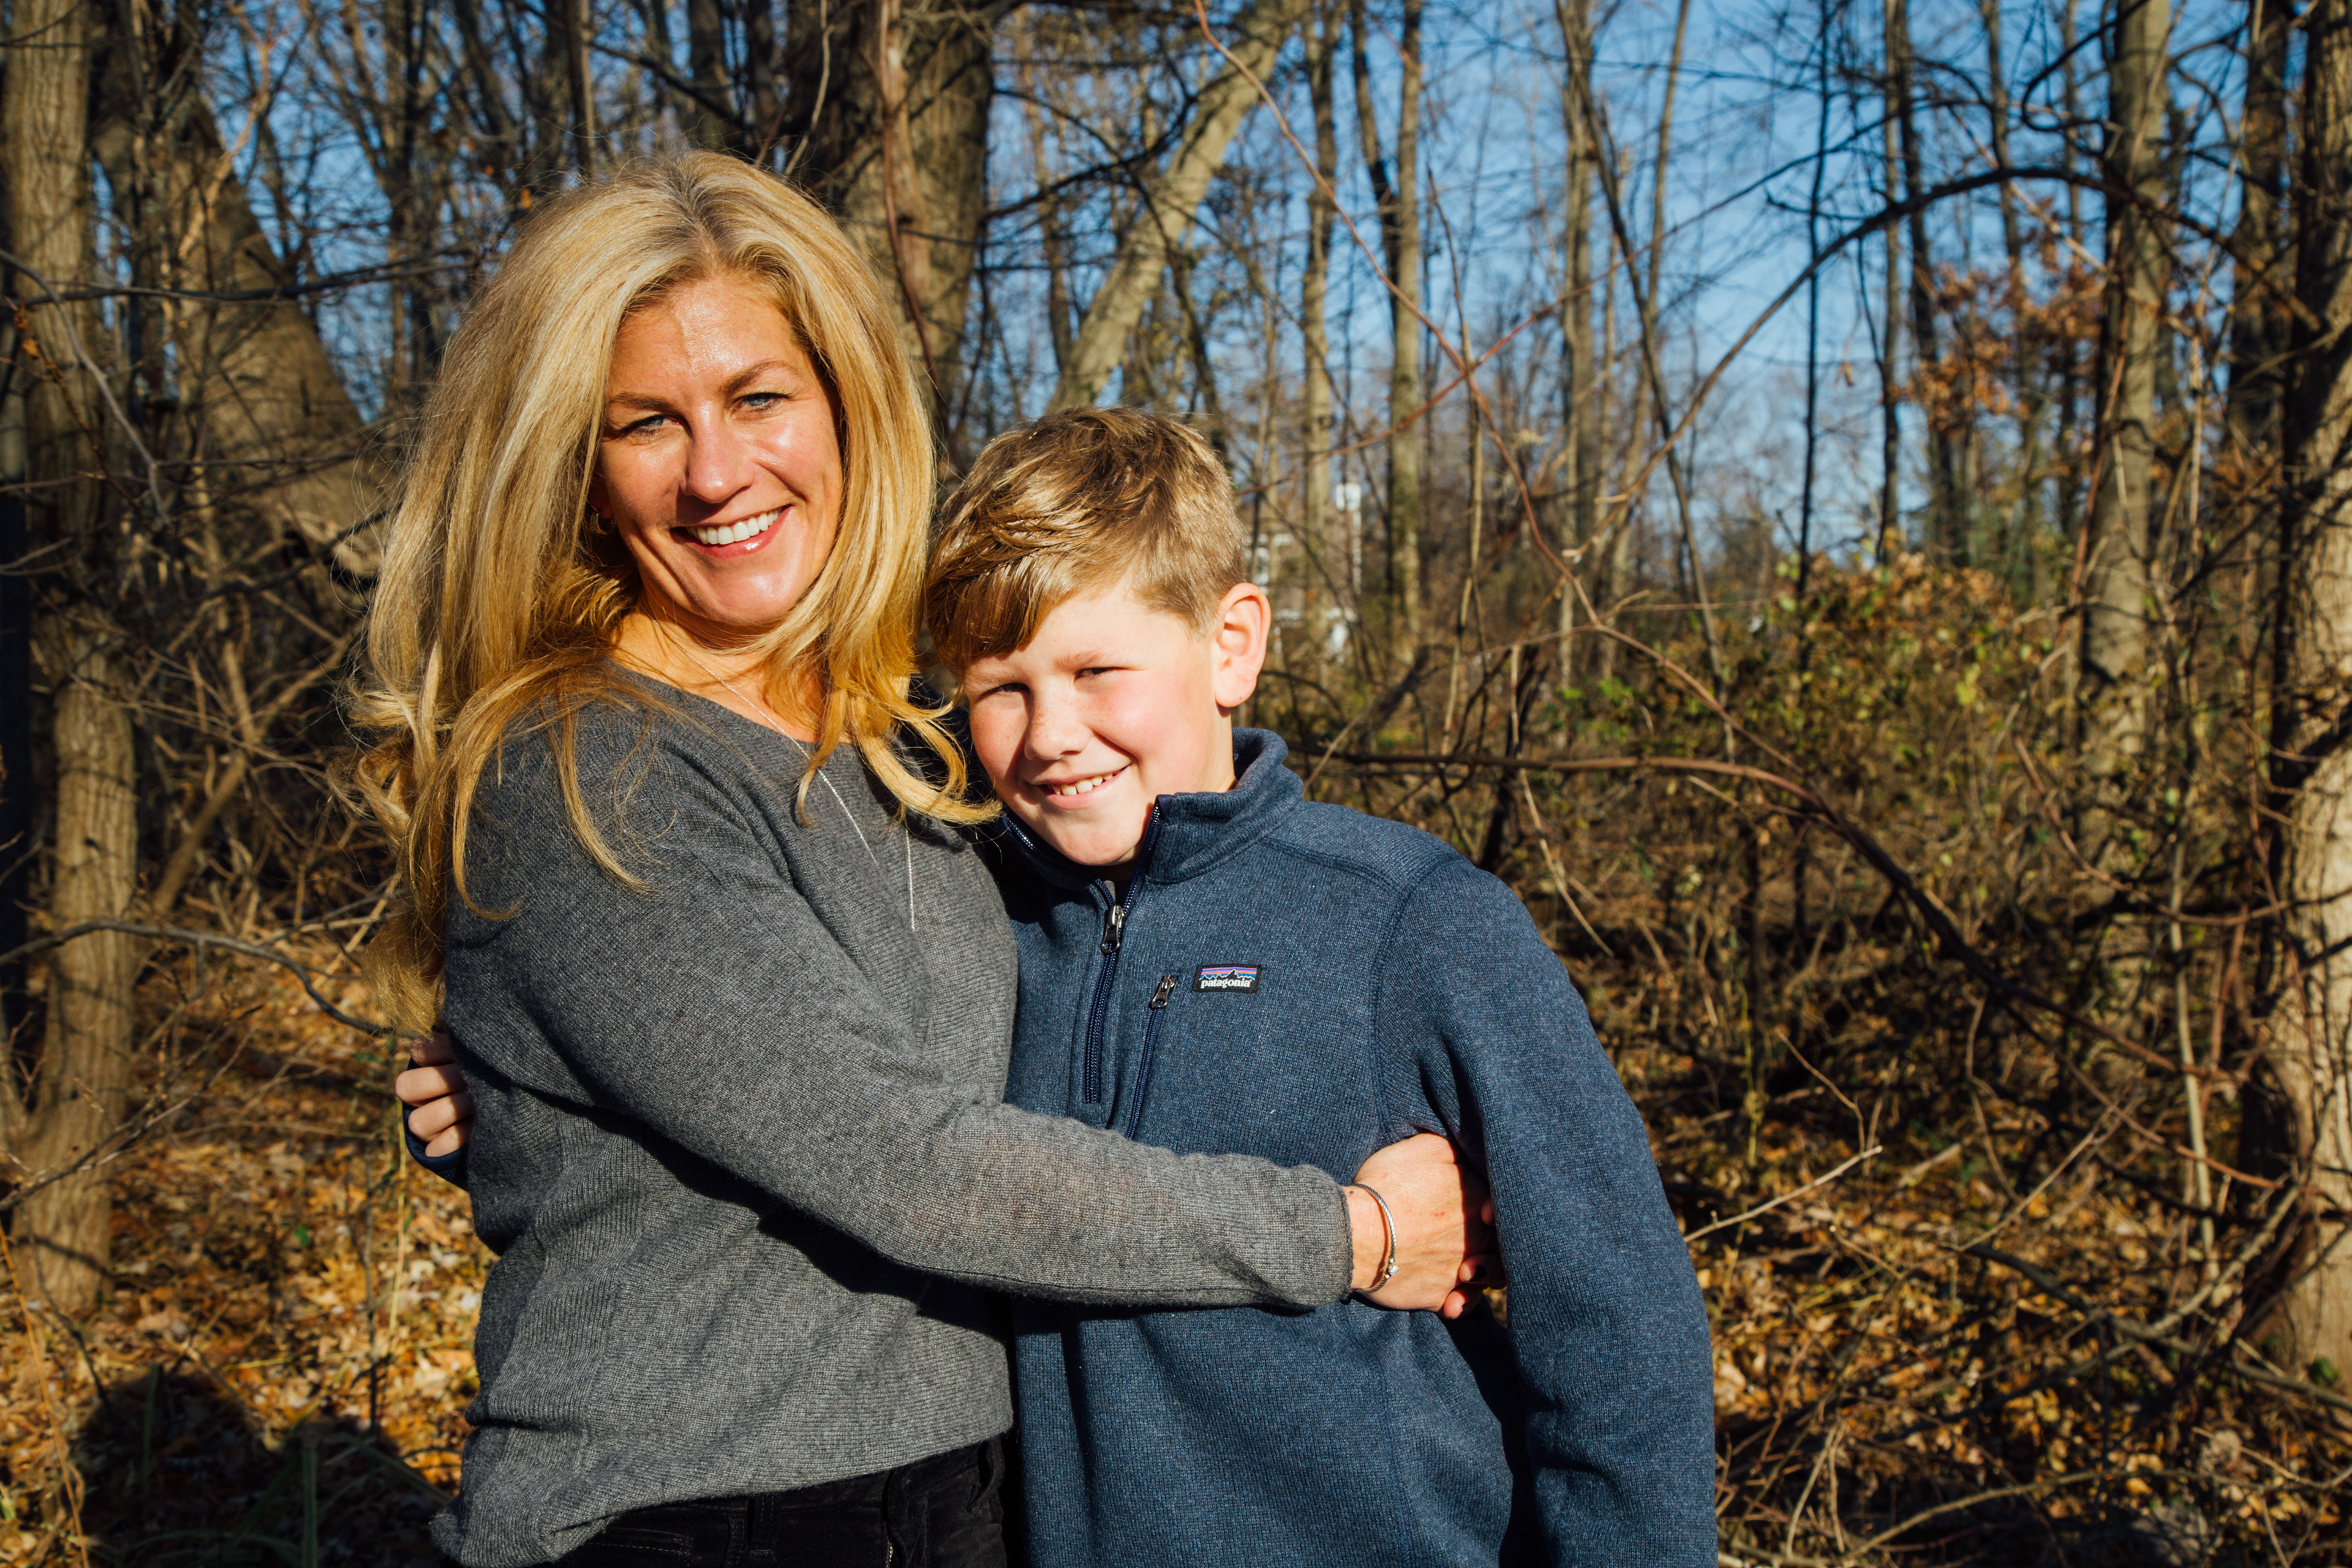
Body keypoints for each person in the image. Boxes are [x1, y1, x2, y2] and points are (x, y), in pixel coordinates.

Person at [353, 153, 1491, 1568]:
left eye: (758, 398)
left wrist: (1437, 1127)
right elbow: (904, 1159)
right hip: (691, 1516)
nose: (716, 472)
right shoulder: (588, 773)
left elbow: (1121, 966)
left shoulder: (921, 746)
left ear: (846, 404)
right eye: (645, 422)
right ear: (577, 468)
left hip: (971, 1492)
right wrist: (1345, 1232)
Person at [919, 407, 1719, 1566]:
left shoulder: (1412, 919)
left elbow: (1618, 1325)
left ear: (1232, 645)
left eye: (1096, 671)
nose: (1050, 734)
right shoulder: (975, 928)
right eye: (1001, 688)